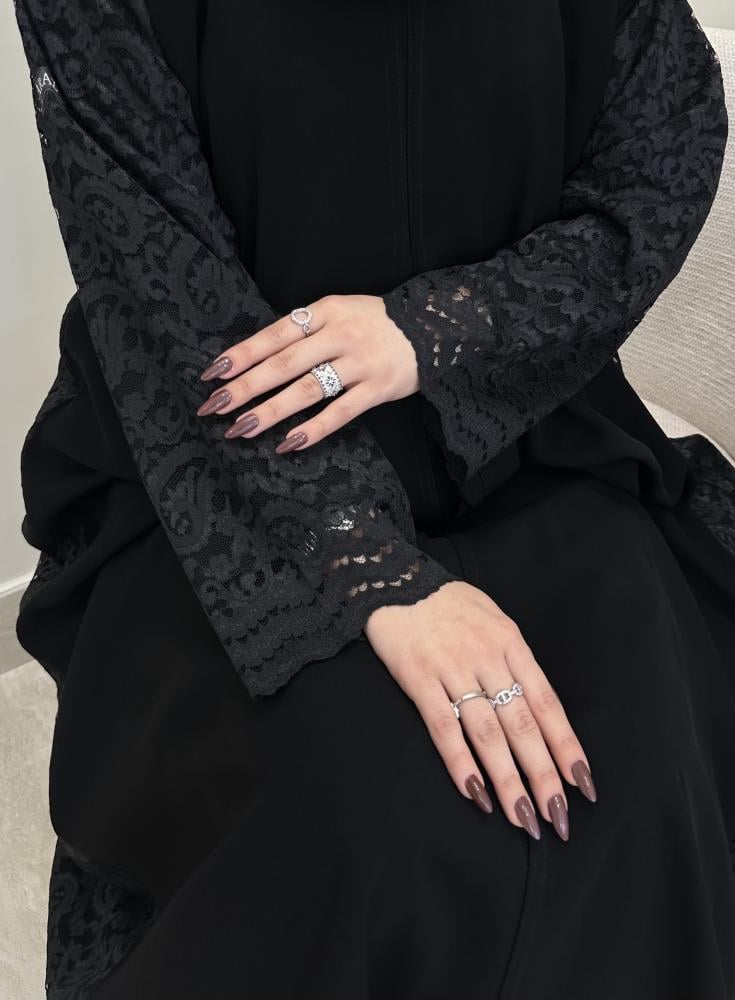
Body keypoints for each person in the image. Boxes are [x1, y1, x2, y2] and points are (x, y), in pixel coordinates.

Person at [12, 0, 735, 997]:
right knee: (377, 822)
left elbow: (661, 158)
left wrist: (431, 329)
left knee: (640, 777)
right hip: (218, 463)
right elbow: (155, 279)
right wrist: (375, 571)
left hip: (530, 434)